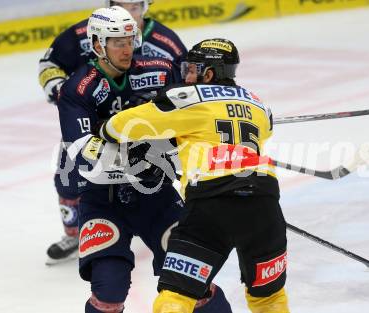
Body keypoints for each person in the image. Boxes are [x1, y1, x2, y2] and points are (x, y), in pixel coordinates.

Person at [57, 8, 231, 313]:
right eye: (118, 42)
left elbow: (191, 115)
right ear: (98, 45)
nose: (127, 49)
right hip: (103, 200)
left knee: (194, 281)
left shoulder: (161, 70)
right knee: (108, 293)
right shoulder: (78, 88)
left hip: (157, 197)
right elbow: (82, 152)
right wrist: (134, 156)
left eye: (130, 40)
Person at [97, 38, 290, 313]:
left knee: (175, 298)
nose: (186, 75)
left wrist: (102, 128)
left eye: (191, 69)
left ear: (208, 73)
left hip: (211, 206)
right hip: (265, 205)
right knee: (269, 300)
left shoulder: (185, 98)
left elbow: (121, 127)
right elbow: (265, 130)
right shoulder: (260, 106)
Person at [38, 0, 187, 264]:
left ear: (145, 7)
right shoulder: (84, 35)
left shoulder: (165, 44)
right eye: (121, 4)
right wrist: (63, 93)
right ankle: (76, 232)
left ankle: (153, 219)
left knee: (159, 173)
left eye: (134, 7)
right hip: (89, 123)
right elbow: (50, 63)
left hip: (139, 130)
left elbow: (187, 83)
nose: (128, 12)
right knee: (68, 178)